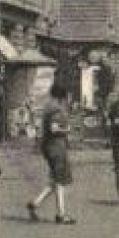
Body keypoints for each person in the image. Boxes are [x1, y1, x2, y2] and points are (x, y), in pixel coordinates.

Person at [27, 84, 76, 224]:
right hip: (56, 147)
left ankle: (35, 203)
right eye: (68, 95)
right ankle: (61, 214)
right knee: (60, 180)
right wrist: (67, 129)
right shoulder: (57, 109)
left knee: (54, 181)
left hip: (49, 147)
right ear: (63, 95)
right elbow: (54, 129)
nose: (69, 98)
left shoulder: (49, 106)